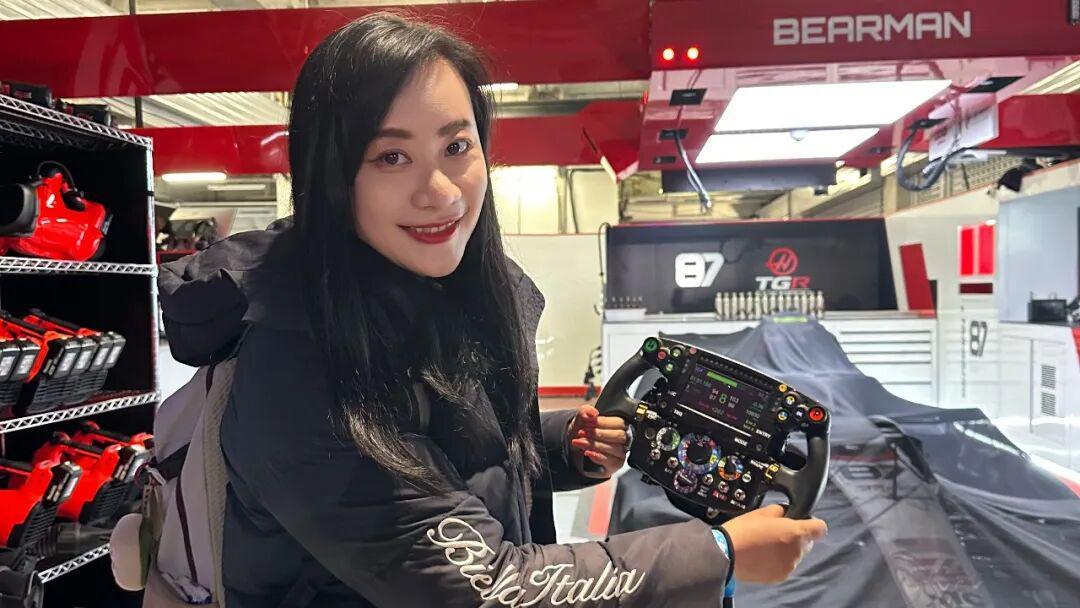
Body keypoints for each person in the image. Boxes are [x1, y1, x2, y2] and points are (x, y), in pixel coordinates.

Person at [158, 13, 827, 607]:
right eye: (392, 156)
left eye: (457, 146)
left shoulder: (436, 289)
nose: (441, 191)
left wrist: (561, 446)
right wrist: (718, 555)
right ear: (331, 174)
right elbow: (482, 586)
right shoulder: (296, 365)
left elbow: (442, 453)